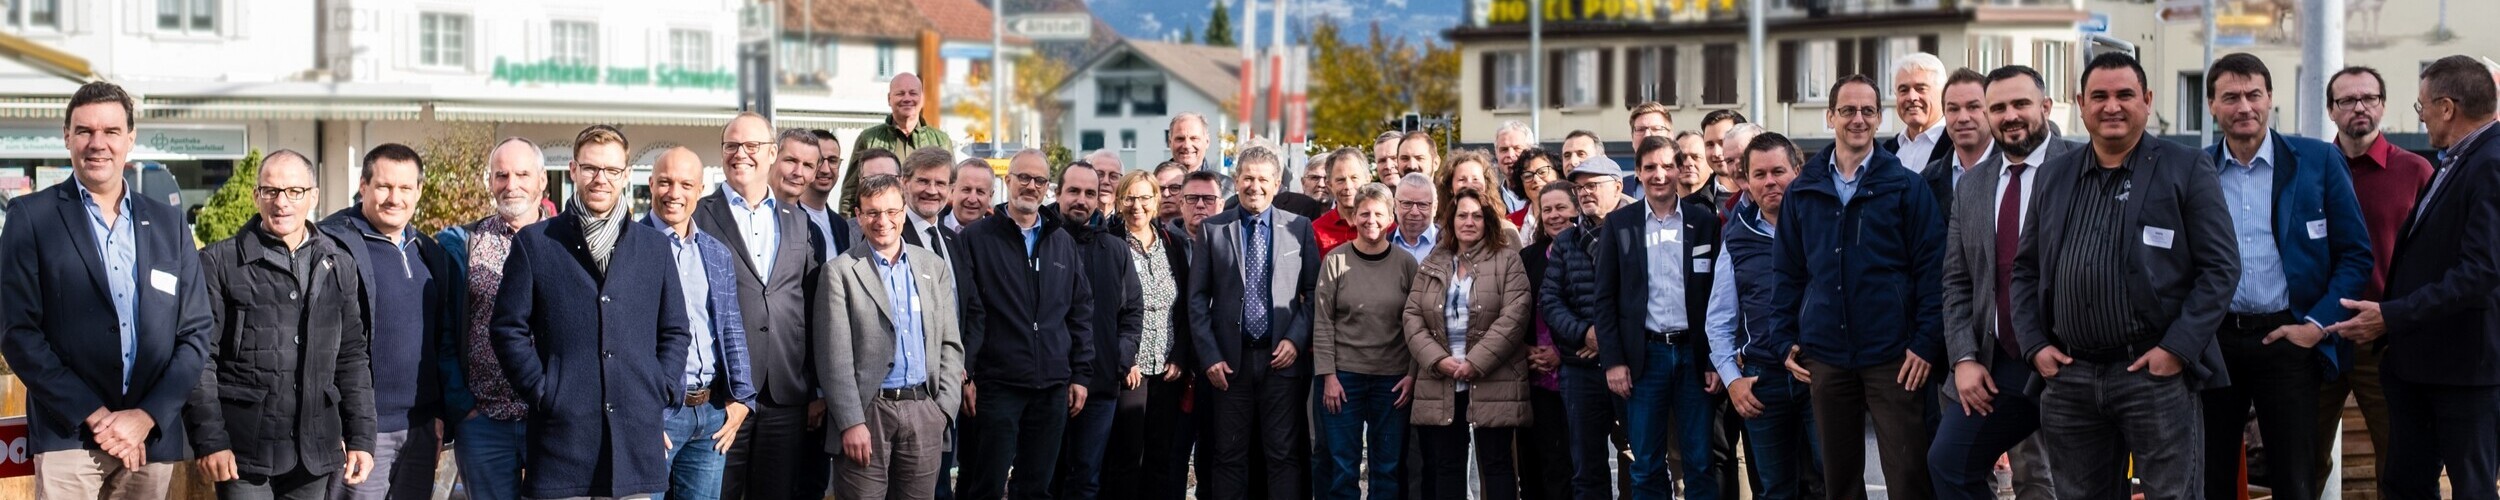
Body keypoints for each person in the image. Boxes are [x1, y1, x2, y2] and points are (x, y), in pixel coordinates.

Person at [2015, 52, 2237, 499]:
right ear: (2080, 104)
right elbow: (2025, 270)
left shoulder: (2186, 168)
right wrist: (2035, 346)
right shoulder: (2054, 175)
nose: (2111, 106)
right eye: (2099, 96)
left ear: (2148, 100)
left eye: (2124, 95)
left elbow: (2221, 269)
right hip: (2070, 376)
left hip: (2154, 376)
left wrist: (2176, 350)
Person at [1, 81, 212, 500]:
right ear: (67, 137)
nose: (98, 143)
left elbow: (195, 334)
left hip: (149, 442)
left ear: (130, 139)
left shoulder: (169, 225)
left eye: (111, 132)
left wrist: (146, 416)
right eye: (85, 131)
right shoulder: (31, 217)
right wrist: (94, 415)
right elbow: (17, 332)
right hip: (69, 438)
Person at [2196, 53, 2374, 500]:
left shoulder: (2317, 161)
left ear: (2270, 98)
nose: (2244, 107)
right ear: (2212, 105)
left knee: (2296, 476)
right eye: (2231, 97)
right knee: (2211, 474)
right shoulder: (2193, 170)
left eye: (2254, 94)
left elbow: (2355, 255)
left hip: (2288, 336)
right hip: (2215, 343)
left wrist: (2315, 326)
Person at [2325, 55, 2500, 500]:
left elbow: (2481, 271)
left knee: (2471, 487)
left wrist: (2392, 314)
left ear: (2447, 107)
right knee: (2406, 482)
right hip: (2422, 364)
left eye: (2421, 108)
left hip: (2465, 369)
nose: (2419, 119)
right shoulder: (2457, 159)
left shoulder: (2489, 161)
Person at [488, 125, 695, 499]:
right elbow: (506, 328)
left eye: (612, 171)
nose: (601, 179)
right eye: (591, 169)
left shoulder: (653, 248)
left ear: (626, 175)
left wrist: (658, 385)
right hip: (562, 444)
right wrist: (544, 389)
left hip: (634, 442)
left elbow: (676, 330)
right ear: (573, 170)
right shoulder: (536, 243)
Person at [1766, 74, 1943, 500]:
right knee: (1839, 481)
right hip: (1825, 355)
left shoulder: (1906, 186)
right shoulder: (1804, 189)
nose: (1858, 119)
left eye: (1867, 111)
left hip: (1894, 357)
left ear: (1879, 118)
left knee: (1908, 479)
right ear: (1831, 117)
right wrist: (1784, 337)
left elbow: (1933, 272)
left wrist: (1925, 342)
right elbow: (1788, 272)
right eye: (1848, 110)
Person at [189, 150, 377, 499]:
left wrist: (362, 436)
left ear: (313, 196)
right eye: (271, 191)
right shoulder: (218, 262)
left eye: (295, 191)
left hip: (313, 450)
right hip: (243, 452)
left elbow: (352, 357)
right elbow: (200, 360)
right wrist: (210, 439)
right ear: (255, 196)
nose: (282, 203)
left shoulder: (338, 263)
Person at [1927, 65, 2073, 500]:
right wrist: (1964, 358)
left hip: (2073, 359)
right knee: (1949, 463)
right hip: (1999, 364)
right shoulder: (1972, 185)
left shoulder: (2081, 166)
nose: (2010, 115)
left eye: (2021, 104)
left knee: (2082, 481)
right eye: (1999, 107)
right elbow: (1955, 281)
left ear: (2045, 107)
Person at [316, 144, 466, 500]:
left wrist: (438, 414)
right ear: (363, 186)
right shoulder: (331, 245)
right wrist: (334, 422)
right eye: (383, 186)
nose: (393, 197)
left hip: (420, 428)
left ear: (418, 191)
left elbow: (439, 340)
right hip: (360, 431)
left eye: (405, 188)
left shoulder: (428, 252)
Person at [2308, 64, 2432, 492]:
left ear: (2383, 105)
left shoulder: (2415, 172)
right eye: (2347, 100)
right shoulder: (2309, 171)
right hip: (2318, 336)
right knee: (2303, 461)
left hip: (2384, 340)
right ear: (2331, 110)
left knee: (2397, 464)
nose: (2359, 108)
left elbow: (2433, 258)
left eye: (2369, 98)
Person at [701, 113, 836, 500]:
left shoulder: (797, 221)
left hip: (784, 393)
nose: (740, 154)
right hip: (723, 395)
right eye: (731, 146)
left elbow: (810, 309)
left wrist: (814, 385)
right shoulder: (700, 215)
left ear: (771, 153)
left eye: (751, 146)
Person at [957, 149, 1099, 500]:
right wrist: (966, 373)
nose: (1030, 186)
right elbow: (968, 313)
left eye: (1039, 180)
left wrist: (1081, 375)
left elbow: (1080, 313)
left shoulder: (1061, 242)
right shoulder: (977, 239)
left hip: (1051, 386)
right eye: (1023, 177)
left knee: (1036, 487)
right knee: (984, 484)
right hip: (997, 384)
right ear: (1007, 181)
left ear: (1047, 187)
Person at [820, 174, 966, 500]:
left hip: (923, 409)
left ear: (903, 211)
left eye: (891, 211)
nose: (882, 221)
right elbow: (834, 357)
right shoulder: (840, 272)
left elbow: (950, 344)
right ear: (858, 215)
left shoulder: (932, 266)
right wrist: (850, 422)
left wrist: (943, 409)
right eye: (872, 212)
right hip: (868, 414)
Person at [1189, 145, 1321, 500]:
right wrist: (1210, 356)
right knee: (1229, 456)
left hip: (1282, 361)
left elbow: (1312, 293)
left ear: (1277, 183)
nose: (1255, 186)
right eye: (1248, 177)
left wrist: (1295, 340)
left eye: (1263, 179)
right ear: (1237, 180)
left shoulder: (1300, 228)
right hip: (1230, 363)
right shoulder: (1214, 230)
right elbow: (1197, 299)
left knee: (1283, 455)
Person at [1595, 135, 1723, 500]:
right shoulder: (1619, 224)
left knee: (1700, 461)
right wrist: (1614, 361)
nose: (1660, 174)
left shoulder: (1704, 222)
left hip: (1693, 357)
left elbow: (1717, 295)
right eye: (1650, 167)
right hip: (1643, 359)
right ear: (1637, 172)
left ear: (1679, 169)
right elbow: (1604, 300)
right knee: (1646, 463)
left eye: (1667, 165)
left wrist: (1714, 358)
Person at [1707, 134, 1823, 500]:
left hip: (1820, 372)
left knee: (1834, 482)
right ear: (1747, 180)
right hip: (1761, 381)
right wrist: (1733, 380)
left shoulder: (1824, 226)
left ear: (1798, 172)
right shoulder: (1736, 236)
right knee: (1775, 490)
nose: (1769, 182)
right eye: (1759, 174)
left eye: (1778, 171)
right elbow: (1719, 318)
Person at [640, 147, 759, 500]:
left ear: (700, 189)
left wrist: (743, 399)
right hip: (657, 416)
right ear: (650, 184)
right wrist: (640, 413)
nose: (674, 193)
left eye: (685, 184)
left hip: (710, 414)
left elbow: (731, 327)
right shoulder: (629, 247)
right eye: (665, 182)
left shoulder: (715, 252)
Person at [436, 137, 549, 500]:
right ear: (489, 182)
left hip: (549, 419)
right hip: (482, 420)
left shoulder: (568, 242)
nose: (511, 184)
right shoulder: (462, 244)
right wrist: (462, 406)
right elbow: (445, 332)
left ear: (542, 180)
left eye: (522, 174)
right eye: (501, 175)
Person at [1406, 186, 1534, 500]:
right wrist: (1438, 360)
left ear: (1488, 220)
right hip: (1442, 378)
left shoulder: (1507, 260)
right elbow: (1412, 315)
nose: (1469, 222)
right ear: (1451, 221)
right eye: (1462, 215)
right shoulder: (1434, 261)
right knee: (1446, 465)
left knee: (1497, 464)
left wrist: (1475, 362)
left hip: (1494, 377)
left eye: (1477, 216)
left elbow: (1515, 315)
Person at [1312, 182, 1419, 500]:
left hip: (1392, 380)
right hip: (1343, 378)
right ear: (1354, 217)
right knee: (1343, 467)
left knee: (1386, 468)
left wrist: (1412, 374)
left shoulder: (1406, 264)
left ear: (1391, 218)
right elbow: (1323, 321)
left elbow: (1416, 324)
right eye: (1364, 213)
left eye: (1378, 213)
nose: (1371, 220)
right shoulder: (1335, 261)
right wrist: (1328, 376)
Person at [1540, 154, 1636, 500]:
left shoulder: (1635, 232)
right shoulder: (1567, 241)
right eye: (1579, 187)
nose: (1585, 193)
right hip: (1581, 369)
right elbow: (1550, 301)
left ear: (1618, 187)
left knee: (1639, 460)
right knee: (1586, 468)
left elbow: (1649, 297)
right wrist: (1585, 333)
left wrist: (1607, 339)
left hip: (1631, 365)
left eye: (1593, 185)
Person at [1053, 163, 1145, 500]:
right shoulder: (1044, 241)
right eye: (1073, 191)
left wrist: (1120, 357)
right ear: (1058, 193)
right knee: (1045, 476)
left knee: (1087, 479)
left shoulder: (1115, 249)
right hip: (1050, 382)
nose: (1081, 200)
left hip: (1101, 384)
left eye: (1089, 193)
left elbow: (1133, 310)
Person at [1102, 172, 1195, 500]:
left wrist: (1180, 356)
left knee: (1161, 455)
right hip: (1130, 369)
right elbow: (1105, 310)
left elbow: (1184, 306)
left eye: (1145, 198)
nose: (1137, 206)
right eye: (1129, 198)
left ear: (1157, 201)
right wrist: (1123, 359)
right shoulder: (1110, 240)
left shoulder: (1173, 242)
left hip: (1167, 369)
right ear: (1119, 201)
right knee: (1127, 456)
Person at [1515, 181, 1579, 500]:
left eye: (1562, 208)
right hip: (1534, 378)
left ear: (1577, 210)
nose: (1554, 216)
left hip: (1574, 373)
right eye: (1547, 209)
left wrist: (1560, 353)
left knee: (1567, 464)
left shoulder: (1591, 250)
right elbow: (1515, 311)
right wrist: (1525, 349)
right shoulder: (1529, 256)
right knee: (1534, 463)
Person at [848, 73, 954, 214]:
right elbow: (850, 192)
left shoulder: (941, 140)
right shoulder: (868, 139)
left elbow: (951, 189)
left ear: (922, 99)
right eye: (900, 93)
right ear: (889, 99)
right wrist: (849, 230)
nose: (907, 98)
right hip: (881, 224)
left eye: (913, 93)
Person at [779, 130, 855, 261]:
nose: (825, 169)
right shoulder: (785, 216)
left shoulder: (841, 225)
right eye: (819, 161)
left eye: (832, 160)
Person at [1924, 68, 1993, 211]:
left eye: (1973, 107)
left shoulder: (2015, 171)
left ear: (1991, 110)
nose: (1963, 118)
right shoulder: (1927, 179)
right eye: (1953, 109)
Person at [1882, 53, 1951, 174]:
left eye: (1921, 89)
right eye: (1903, 90)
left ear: (1943, 93)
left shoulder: (1956, 146)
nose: (1912, 97)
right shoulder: (1886, 151)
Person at [900, 148, 966, 262]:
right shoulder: (891, 235)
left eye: (940, 183)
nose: (932, 191)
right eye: (923, 181)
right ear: (905, 183)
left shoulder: (955, 241)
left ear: (950, 189)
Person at [1311, 149, 1369, 252]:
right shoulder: (1316, 231)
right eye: (1340, 180)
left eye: (1354, 178)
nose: (1348, 186)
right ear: (1329, 185)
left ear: (1368, 180)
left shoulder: (1384, 227)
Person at [1168, 113, 1231, 193]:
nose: (1187, 145)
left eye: (1194, 138)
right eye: (1180, 139)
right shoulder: (1155, 185)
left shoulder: (1226, 188)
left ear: (1207, 142)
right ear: (1170, 142)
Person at [1508, 149, 1562, 239]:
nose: (1536, 179)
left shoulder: (1571, 217)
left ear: (1558, 174)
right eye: (1528, 176)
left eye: (1542, 172)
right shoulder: (1510, 222)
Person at [1699, 110, 1749, 202]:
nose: (1716, 153)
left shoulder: (1770, 197)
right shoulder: (1691, 207)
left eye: (1723, 142)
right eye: (1710, 144)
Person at [1389, 174, 1440, 262]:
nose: (1414, 212)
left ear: (1435, 207)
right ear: (1395, 206)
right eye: (1407, 203)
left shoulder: (1451, 246)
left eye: (1423, 205)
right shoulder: (1381, 245)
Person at [1495, 121, 1539, 211]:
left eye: (1517, 148)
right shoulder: (1490, 200)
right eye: (1504, 149)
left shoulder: (1544, 194)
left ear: (1530, 151)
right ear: (1496, 154)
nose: (1510, 155)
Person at [949, 158, 997, 234]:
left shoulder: (1001, 237)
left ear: (990, 196)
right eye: (966, 190)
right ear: (952, 191)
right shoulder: (930, 229)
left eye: (980, 192)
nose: (972, 199)